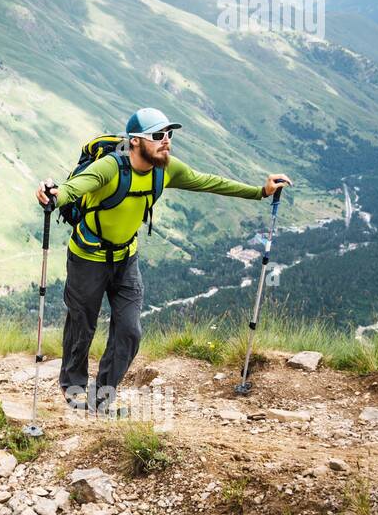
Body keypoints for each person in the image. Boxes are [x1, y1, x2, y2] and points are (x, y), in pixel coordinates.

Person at [36, 107, 291, 417]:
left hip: (126, 259)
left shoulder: (165, 169)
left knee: (129, 332)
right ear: (135, 142)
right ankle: (73, 387)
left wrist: (260, 192)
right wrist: (52, 195)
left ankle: (101, 399)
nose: (166, 141)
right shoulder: (109, 169)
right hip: (87, 258)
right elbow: (74, 189)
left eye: (169, 135)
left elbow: (208, 181)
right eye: (158, 136)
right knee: (82, 325)